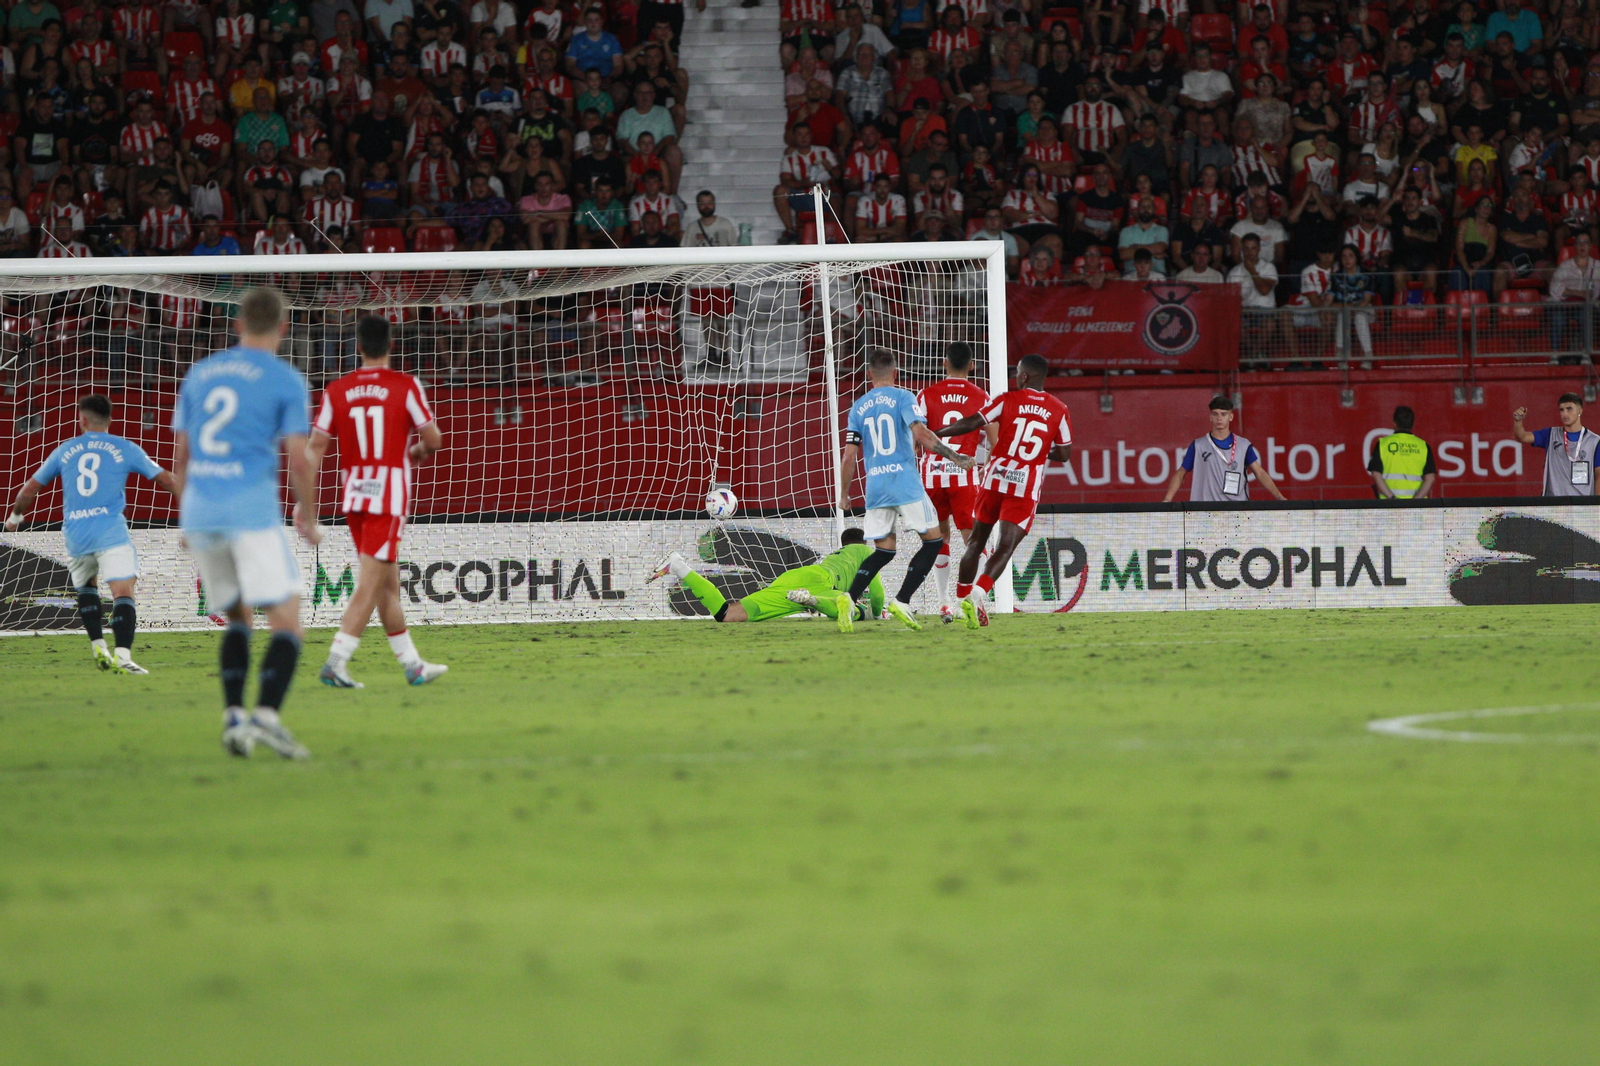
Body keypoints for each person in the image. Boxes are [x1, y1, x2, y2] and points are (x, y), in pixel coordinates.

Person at [170, 287, 321, 760]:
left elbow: (181, 455)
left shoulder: (200, 373)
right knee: (288, 620)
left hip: (202, 513)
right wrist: (309, 515)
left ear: (237, 325)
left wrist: (185, 518)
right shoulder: (286, 379)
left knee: (237, 617)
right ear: (283, 328)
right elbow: (299, 459)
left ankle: (234, 717)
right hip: (250, 515)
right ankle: (267, 718)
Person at [307, 315, 448, 689]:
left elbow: (315, 446)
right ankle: (335, 661)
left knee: (387, 587)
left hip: (354, 497)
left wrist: (305, 502)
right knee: (370, 585)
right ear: (391, 345)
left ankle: (413, 665)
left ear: (358, 347)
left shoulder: (336, 390)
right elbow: (434, 439)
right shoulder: (405, 385)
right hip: (387, 499)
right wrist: (416, 452)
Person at [5, 394, 178, 673]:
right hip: (110, 532)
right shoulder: (125, 447)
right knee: (123, 592)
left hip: (76, 534)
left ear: (83, 419)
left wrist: (14, 517)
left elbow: (29, 489)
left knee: (87, 588)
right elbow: (166, 479)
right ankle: (123, 657)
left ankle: (98, 646)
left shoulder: (65, 450)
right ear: (110, 419)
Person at [840, 350, 975, 630]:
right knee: (934, 542)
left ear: (869, 374)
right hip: (905, 483)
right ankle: (902, 600)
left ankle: (849, 598)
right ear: (896, 373)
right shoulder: (903, 397)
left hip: (876, 488)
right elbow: (922, 434)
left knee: (884, 551)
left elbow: (849, 456)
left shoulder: (858, 407)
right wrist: (956, 457)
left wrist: (844, 494)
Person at [935, 354, 1071, 629]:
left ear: (1025, 376)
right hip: (1024, 486)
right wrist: (1041, 450)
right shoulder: (1059, 409)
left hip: (995, 479)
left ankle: (961, 600)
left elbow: (971, 423)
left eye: (1017, 372)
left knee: (976, 542)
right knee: (1006, 546)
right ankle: (977, 595)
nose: (1015, 376)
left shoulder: (1006, 400)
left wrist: (935, 433)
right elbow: (1064, 453)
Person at [647, 528, 886, 632]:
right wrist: (876, 614)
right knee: (851, 609)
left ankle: (679, 566)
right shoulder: (866, 552)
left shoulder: (838, 555)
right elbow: (877, 593)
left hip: (795, 576)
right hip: (822, 582)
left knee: (727, 614)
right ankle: (811, 600)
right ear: (863, 543)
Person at [914, 342, 991, 623]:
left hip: (931, 476)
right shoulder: (982, 397)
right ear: (972, 365)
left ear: (944, 364)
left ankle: (944, 602)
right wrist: (988, 467)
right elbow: (995, 441)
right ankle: (969, 599)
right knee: (974, 540)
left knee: (939, 538)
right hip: (964, 477)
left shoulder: (926, 395)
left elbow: (917, 436)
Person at [1161, 395, 1286, 503]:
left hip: (1236, 508)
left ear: (1231, 416)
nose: (1219, 418)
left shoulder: (1243, 445)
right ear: (1210, 417)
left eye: (1223, 414)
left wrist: (1279, 496)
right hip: (1206, 509)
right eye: (1215, 414)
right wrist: (1167, 499)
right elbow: (1180, 473)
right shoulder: (1199, 445)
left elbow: (1259, 473)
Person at [1513, 394, 1600, 496]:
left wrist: (1596, 502)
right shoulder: (1550, 435)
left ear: (1580, 411)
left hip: (1582, 502)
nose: (1564, 414)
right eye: (1561, 410)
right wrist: (1518, 421)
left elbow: (1598, 474)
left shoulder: (1594, 441)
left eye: (1569, 409)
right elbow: (1522, 437)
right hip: (1554, 501)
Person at [1368, 406, 1437, 500]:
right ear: (1412, 423)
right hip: (1417, 506)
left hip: (1388, 504)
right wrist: (1416, 500)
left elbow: (1376, 474)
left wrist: (1392, 498)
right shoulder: (1423, 446)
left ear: (1394, 423)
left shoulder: (1382, 444)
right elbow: (1430, 478)